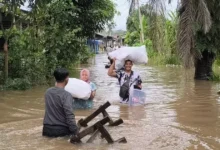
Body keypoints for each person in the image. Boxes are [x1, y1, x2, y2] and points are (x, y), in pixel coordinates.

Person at [42, 68, 78, 137]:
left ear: (55, 78)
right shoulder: (66, 95)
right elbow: (69, 115)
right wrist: (75, 131)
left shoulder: (48, 92)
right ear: (66, 79)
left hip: (47, 129)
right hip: (61, 130)